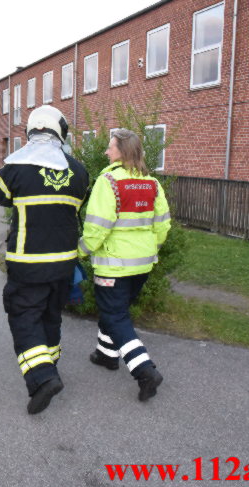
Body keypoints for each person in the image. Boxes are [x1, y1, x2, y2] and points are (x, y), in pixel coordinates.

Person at [0, 105, 89, 415]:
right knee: (51, 317)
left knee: (24, 317)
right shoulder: (79, 171)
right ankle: (51, 366)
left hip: (27, 262)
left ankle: (43, 377)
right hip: (64, 264)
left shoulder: (13, 169)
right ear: (60, 132)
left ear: (32, 131)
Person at [78, 128, 171, 402]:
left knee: (116, 316)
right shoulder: (152, 183)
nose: (107, 152)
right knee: (115, 311)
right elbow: (163, 224)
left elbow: (97, 227)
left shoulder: (108, 182)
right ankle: (106, 355)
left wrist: (80, 250)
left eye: (111, 147)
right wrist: (149, 248)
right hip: (142, 265)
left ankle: (145, 371)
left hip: (114, 266)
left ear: (122, 151)